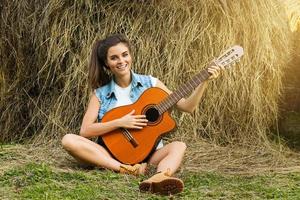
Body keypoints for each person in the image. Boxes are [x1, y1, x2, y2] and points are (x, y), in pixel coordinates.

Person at [61, 34, 223, 195]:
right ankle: (127, 169)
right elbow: (85, 130)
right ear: (106, 63)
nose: (121, 61)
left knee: (179, 146)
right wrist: (120, 122)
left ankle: (159, 178)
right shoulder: (100, 94)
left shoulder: (151, 84)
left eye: (125, 55)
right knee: (69, 140)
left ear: (130, 55)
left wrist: (204, 82)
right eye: (114, 58)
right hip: (111, 155)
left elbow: (187, 107)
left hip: (148, 155)